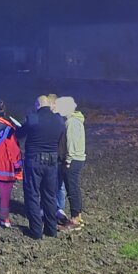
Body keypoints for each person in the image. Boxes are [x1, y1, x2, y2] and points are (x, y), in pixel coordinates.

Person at [18, 95, 65, 239]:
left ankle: (36, 231)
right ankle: (51, 230)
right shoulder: (59, 120)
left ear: (37, 105)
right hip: (52, 163)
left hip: (34, 162)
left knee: (32, 195)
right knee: (50, 196)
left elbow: (19, 134)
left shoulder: (33, 118)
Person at [55, 96, 87, 232]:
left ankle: (74, 220)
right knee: (73, 188)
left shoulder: (71, 122)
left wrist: (68, 160)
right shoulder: (74, 121)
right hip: (76, 159)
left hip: (73, 161)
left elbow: (71, 143)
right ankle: (77, 217)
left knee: (72, 189)